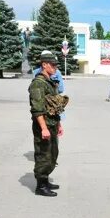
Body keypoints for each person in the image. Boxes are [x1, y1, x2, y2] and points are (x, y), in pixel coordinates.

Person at [29, 50, 66, 197]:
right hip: (43, 126)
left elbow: (54, 107)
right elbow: (37, 109)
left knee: (52, 154)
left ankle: (46, 180)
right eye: (53, 65)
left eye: (56, 65)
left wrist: (59, 125)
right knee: (43, 155)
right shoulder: (38, 83)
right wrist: (43, 128)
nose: (55, 67)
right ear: (44, 65)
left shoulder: (49, 81)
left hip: (52, 124)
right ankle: (41, 185)